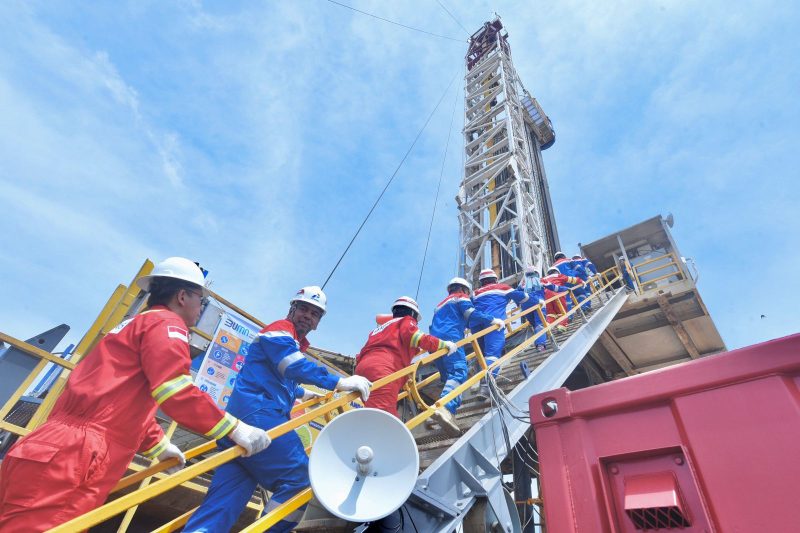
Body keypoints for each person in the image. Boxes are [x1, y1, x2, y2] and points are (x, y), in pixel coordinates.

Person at [0, 257, 270, 532]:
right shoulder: (168, 325)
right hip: (78, 454)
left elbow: (117, 402)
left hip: (51, 444)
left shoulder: (132, 325)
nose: (200, 308)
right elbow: (176, 390)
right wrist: (235, 429)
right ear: (182, 296)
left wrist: (159, 446)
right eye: (201, 299)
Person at [184, 286, 371, 533]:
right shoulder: (280, 330)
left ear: (317, 322)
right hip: (260, 416)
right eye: (303, 308)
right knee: (303, 479)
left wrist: (304, 393)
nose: (307, 315)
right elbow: (292, 366)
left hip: (243, 425)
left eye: (314, 314)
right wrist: (339, 382)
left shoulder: (290, 341)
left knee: (219, 508)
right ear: (292, 309)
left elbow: (277, 377)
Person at [355, 296, 456, 419]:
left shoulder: (379, 329)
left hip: (362, 370)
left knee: (373, 413)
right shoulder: (406, 321)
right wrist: (443, 345)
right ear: (412, 313)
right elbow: (417, 338)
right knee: (383, 418)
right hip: (384, 370)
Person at [426, 278, 498, 435]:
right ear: (464, 290)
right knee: (459, 373)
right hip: (451, 339)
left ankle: (433, 416)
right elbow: (471, 314)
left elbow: (451, 320)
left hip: (435, 343)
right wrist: (492, 320)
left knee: (449, 379)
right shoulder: (461, 297)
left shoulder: (440, 305)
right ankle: (445, 408)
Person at [472, 269, 528, 401]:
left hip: (476, 326)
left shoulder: (475, 293)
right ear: (495, 279)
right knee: (492, 354)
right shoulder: (503, 287)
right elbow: (523, 298)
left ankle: (479, 376)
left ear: (481, 282)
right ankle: (485, 386)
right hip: (493, 323)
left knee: (482, 355)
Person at [518, 268, 548, 352]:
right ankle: (540, 345)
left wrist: (518, 303)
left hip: (526, 306)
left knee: (535, 324)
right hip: (539, 304)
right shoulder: (541, 281)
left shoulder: (522, 285)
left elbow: (516, 294)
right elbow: (554, 287)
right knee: (540, 324)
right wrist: (565, 289)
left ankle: (539, 340)